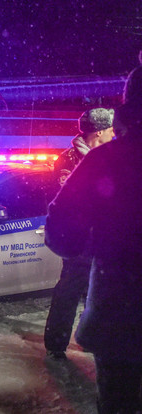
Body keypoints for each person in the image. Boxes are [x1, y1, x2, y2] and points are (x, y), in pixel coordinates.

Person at [45, 64, 142, 413]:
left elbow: (60, 229)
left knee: (120, 402)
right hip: (119, 314)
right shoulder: (84, 158)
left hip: (121, 314)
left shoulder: (107, 160)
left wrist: (93, 247)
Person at [43, 107, 115, 360]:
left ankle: (91, 338)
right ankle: (56, 343)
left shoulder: (105, 156)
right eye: (110, 130)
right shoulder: (70, 160)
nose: (114, 134)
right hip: (81, 239)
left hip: (103, 237)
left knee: (99, 292)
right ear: (99, 132)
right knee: (70, 289)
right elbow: (69, 200)